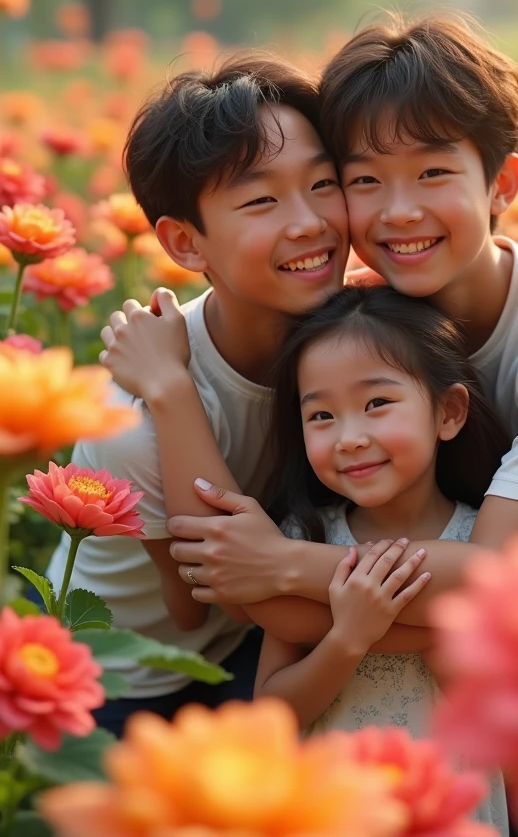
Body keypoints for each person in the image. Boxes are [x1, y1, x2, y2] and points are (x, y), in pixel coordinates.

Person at [116, 13, 518, 636]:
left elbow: (500, 571)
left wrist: (285, 563)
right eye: (363, 180)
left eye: (433, 173)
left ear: (503, 185)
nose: (400, 211)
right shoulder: (365, 320)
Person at [46, 52, 352, 736]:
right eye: (261, 200)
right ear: (185, 243)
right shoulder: (133, 415)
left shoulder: (358, 346)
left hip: (257, 647)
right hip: (131, 677)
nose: (309, 222)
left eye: (324, 183)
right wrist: (171, 391)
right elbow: (195, 607)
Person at [253, 285, 510, 835]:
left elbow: (505, 720)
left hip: (452, 808)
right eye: (321, 415)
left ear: (449, 411)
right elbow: (269, 719)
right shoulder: (307, 537)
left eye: (376, 404)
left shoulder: (479, 539)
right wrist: (347, 640)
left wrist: (432, 633)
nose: (349, 437)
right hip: (332, 810)